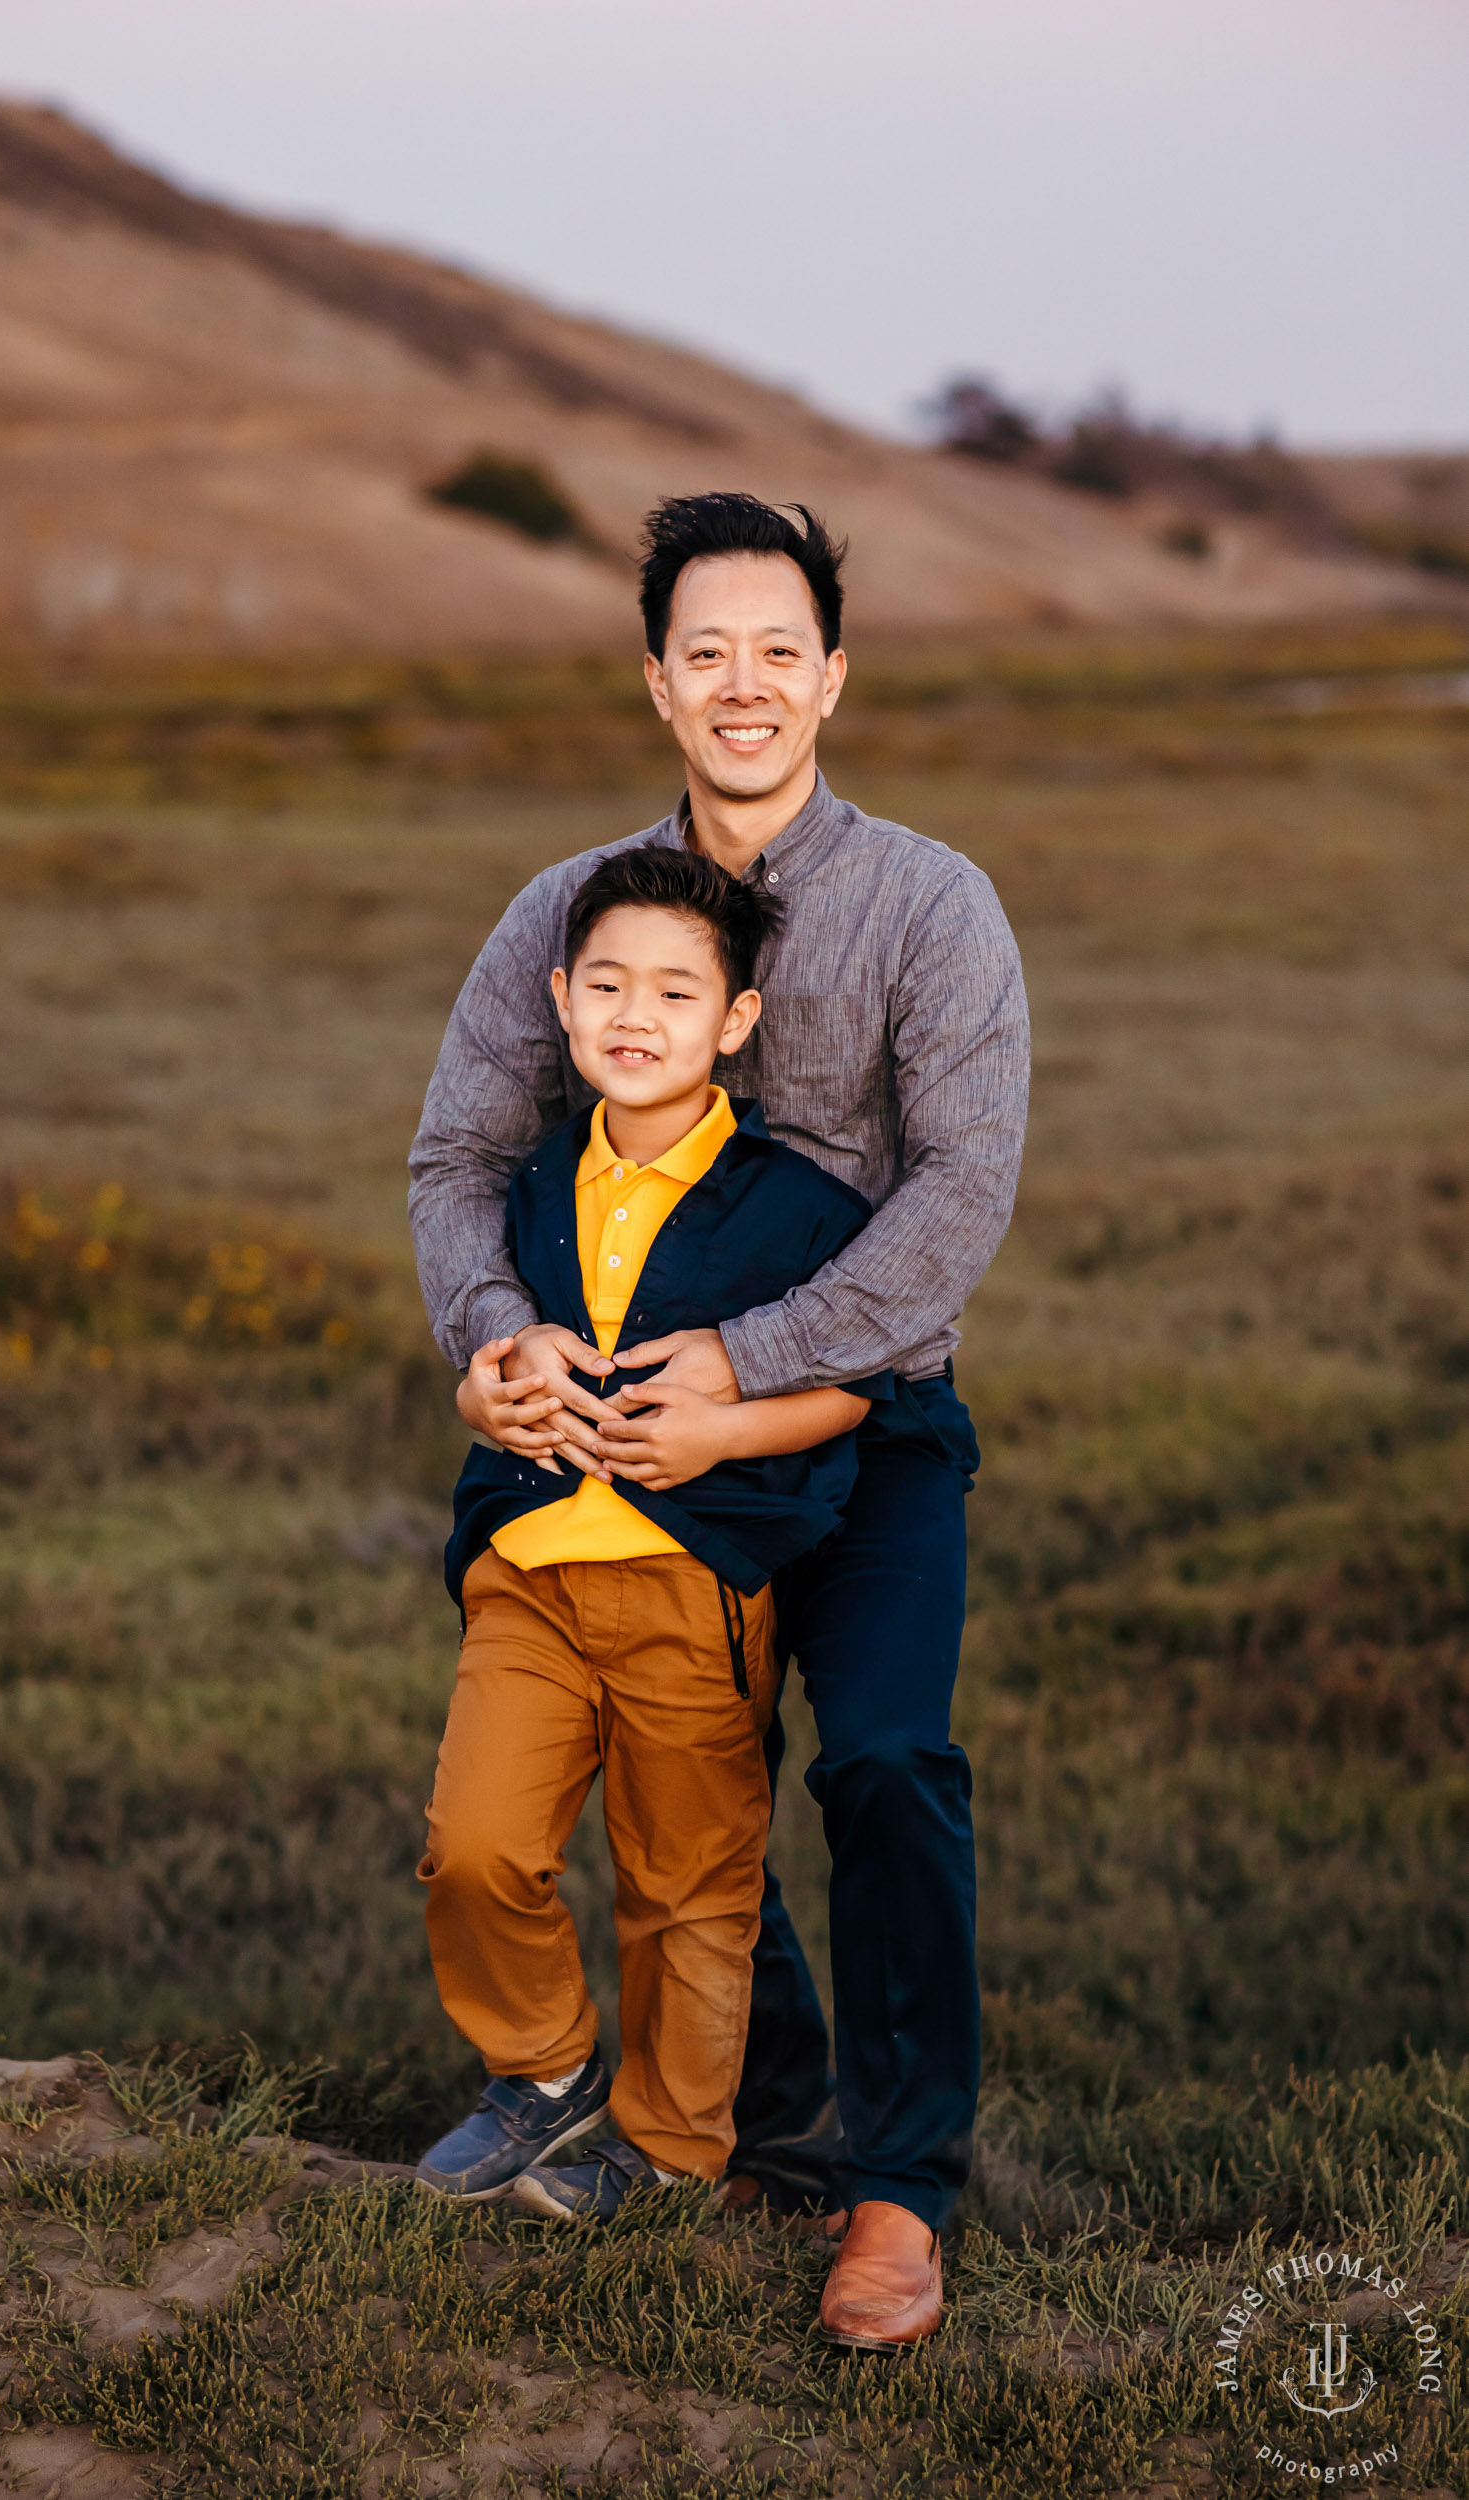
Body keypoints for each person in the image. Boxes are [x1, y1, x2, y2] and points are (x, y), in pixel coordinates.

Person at [409, 492, 1030, 2348]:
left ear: (833, 674)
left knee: (887, 1765)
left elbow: (961, 1199)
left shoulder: (933, 902)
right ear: (657, 681)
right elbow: (459, 1153)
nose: (743, 684)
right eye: (706, 652)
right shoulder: (574, 912)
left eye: (781, 649)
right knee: (688, 1786)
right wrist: (501, 1333)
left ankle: (900, 2188)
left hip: (868, 1419)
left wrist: (746, 1366)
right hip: (609, 1422)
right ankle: (749, 2117)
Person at [414, 843, 896, 2219]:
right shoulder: (526, 1186)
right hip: (528, 1579)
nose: (637, 1015)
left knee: (690, 1889)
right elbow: (487, 1358)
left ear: (735, 1023)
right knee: (476, 1842)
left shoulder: (798, 1209)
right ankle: (544, 2063)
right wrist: (479, 1386)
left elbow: (851, 1381)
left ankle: (674, 2152)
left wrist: (720, 1432)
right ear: (562, 1002)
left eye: (676, 992)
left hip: (695, 1593)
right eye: (609, 984)